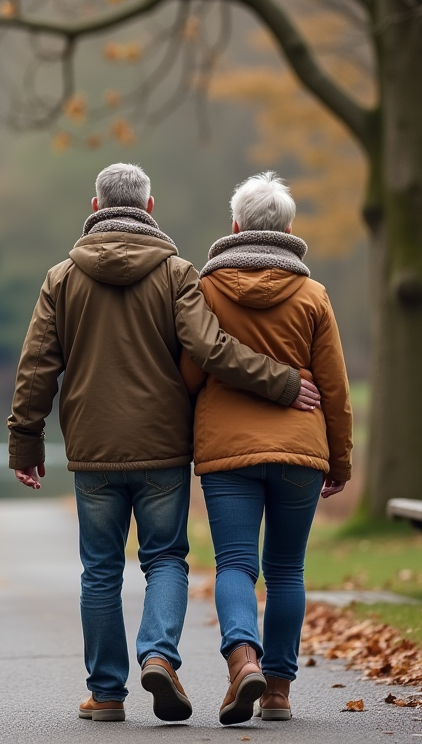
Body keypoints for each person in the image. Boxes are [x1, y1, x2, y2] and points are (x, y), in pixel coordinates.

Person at [7, 163, 321, 724]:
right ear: (150, 208)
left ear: (96, 206)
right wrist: (283, 382)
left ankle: (106, 695)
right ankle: (158, 655)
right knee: (166, 559)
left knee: (100, 570)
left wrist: (25, 442)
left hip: (93, 450)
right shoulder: (177, 274)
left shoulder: (62, 278)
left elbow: (37, 369)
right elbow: (211, 349)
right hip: (164, 450)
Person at [179, 171, 352, 726]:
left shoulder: (205, 290)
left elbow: (189, 370)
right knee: (286, 571)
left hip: (229, 449)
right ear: (289, 229)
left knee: (234, 563)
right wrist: (340, 458)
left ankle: (242, 659)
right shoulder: (312, 295)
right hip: (301, 450)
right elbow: (334, 387)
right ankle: (277, 691)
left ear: (235, 225)